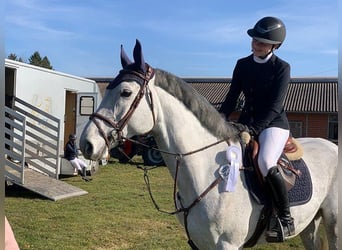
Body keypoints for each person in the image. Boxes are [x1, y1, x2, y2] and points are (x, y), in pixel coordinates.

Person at [219, 16, 294, 241]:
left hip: (273, 124)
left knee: (265, 161)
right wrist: (220, 118)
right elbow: (232, 96)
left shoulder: (282, 68)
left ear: (275, 45)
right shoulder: (242, 64)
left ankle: (285, 217)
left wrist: (252, 129)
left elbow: (274, 106)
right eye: (254, 40)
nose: (255, 45)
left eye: (261, 42)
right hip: (246, 122)